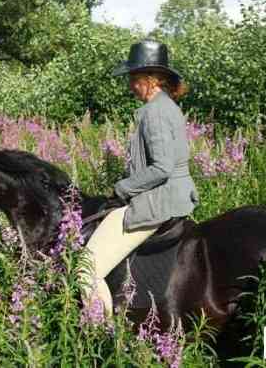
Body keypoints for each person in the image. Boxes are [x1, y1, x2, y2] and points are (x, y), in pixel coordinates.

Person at [80, 39, 199, 316]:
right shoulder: (167, 106)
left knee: (86, 269)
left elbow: (161, 168)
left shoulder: (154, 112)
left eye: (134, 78)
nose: (130, 85)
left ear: (151, 79)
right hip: (175, 196)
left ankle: (100, 337)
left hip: (159, 201)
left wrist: (122, 187)